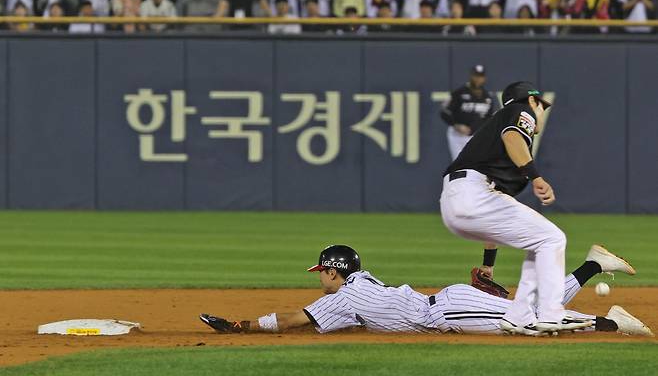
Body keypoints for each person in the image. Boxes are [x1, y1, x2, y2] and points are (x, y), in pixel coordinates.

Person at [199, 244, 652, 337]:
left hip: (444, 311)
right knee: (532, 309)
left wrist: (240, 326)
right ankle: (593, 263)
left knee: (528, 324)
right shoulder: (358, 284)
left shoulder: (342, 298)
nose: (318, 277)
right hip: (448, 302)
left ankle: (613, 322)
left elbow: (295, 319)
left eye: (322, 271)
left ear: (335, 273)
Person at [441, 81, 595, 334]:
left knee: (539, 240)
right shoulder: (521, 111)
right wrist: (535, 176)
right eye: (541, 105)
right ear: (532, 100)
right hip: (472, 191)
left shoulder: (498, 133)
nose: (541, 111)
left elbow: (496, 210)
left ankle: (518, 316)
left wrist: (488, 263)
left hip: (457, 200)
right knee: (552, 238)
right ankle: (551, 313)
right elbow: (513, 137)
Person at [441, 64, 496, 160]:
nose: (478, 79)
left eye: (480, 76)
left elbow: (489, 118)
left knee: (476, 166)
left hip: (476, 136)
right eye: (476, 76)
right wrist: (456, 125)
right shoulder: (459, 93)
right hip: (458, 135)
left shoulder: (487, 97)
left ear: (484, 78)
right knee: (459, 164)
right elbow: (444, 112)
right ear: (471, 76)